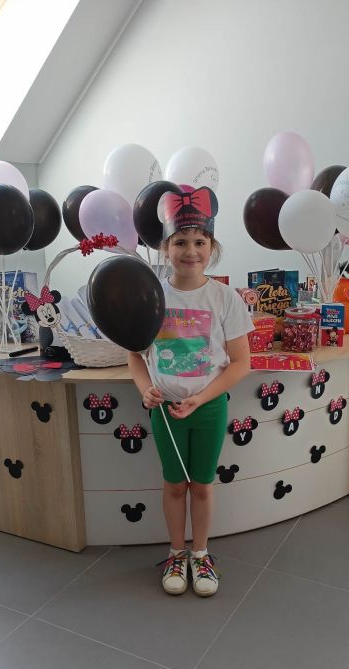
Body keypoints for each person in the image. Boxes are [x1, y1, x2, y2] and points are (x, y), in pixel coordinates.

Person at [128, 187, 254, 597]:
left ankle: (200, 554)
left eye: (200, 242)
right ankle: (176, 552)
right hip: (165, 411)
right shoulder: (150, 296)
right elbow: (135, 356)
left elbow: (241, 362)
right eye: (180, 241)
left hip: (209, 408)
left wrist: (201, 397)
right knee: (173, 485)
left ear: (211, 247)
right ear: (165, 247)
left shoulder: (225, 298)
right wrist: (146, 389)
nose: (191, 251)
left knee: (201, 485)